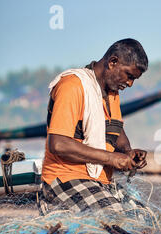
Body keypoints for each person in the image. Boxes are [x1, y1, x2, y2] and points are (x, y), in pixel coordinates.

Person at [39, 39, 148, 215]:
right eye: (129, 76)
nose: (130, 84)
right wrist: (112, 159)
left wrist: (128, 151)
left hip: (100, 183)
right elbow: (58, 144)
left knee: (151, 220)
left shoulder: (111, 91)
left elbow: (115, 128)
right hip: (65, 180)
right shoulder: (72, 85)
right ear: (113, 62)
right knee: (120, 220)